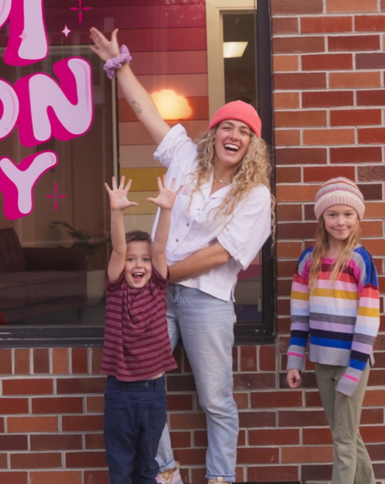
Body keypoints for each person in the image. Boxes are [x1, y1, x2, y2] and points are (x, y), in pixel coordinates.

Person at [90, 28, 274, 484]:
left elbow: (221, 254)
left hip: (205, 300)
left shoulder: (255, 195)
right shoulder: (186, 158)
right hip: (152, 294)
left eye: (244, 131)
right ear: (213, 132)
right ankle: (166, 471)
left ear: (253, 145)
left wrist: (160, 271)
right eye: (227, 126)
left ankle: (220, 477)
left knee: (215, 398)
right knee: (146, 388)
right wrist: (120, 64)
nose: (234, 135)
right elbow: (146, 111)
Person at [284, 178, 381, 484]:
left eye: (348, 214)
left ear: (358, 217)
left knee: (343, 441)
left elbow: (369, 317)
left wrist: (355, 367)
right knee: (347, 436)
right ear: (321, 217)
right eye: (333, 214)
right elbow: (300, 316)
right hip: (322, 361)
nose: (341, 221)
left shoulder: (360, 260)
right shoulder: (307, 260)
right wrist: (295, 360)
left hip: (352, 362)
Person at [102, 175, 181, 484]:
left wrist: (166, 210)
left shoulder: (157, 288)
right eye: (132, 260)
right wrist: (116, 212)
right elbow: (119, 251)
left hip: (153, 392)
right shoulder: (116, 290)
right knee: (121, 468)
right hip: (119, 392)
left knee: (149, 467)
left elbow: (159, 248)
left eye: (144, 260)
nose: (139, 265)